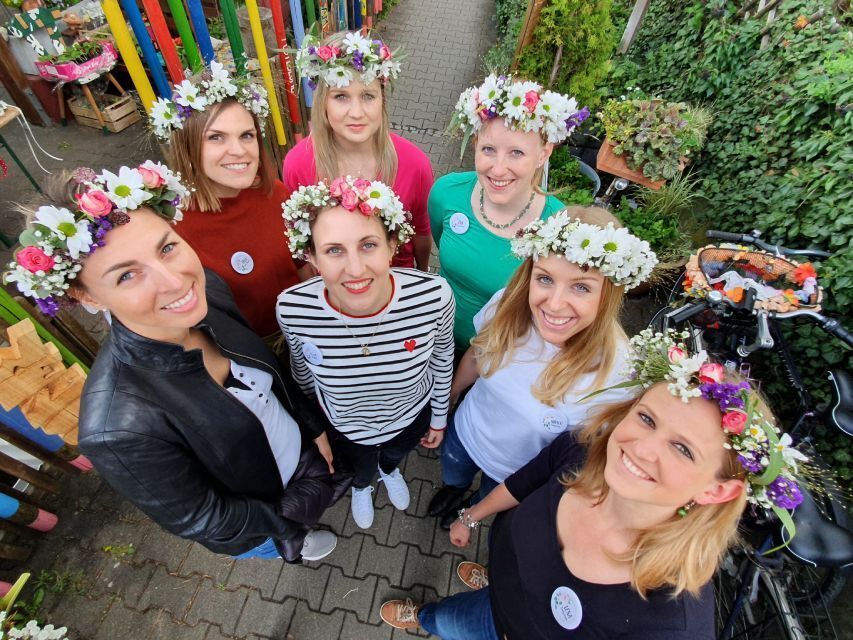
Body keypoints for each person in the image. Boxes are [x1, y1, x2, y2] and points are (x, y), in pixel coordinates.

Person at [4, 164, 347, 562]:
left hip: (300, 459)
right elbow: (206, 517)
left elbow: (269, 369)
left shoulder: (208, 290)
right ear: (89, 297)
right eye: (127, 275)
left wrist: (312, 429)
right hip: (267, 522)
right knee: (285, 544)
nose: (175, 281)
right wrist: (288, 523)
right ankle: (299, 545)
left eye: (167, 248)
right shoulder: (116, 428)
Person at [380, 329, 809, 639]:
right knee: (451, 614)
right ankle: (440, 608)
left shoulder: (667, 626)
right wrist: (472, 517)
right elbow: (523, 482)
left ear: (717, 491)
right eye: (646, 418)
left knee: (458, 625)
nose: (641, 448)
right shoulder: (584, 451)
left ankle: (427, 619)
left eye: (683, 449)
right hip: (504, 586)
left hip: (501, 630)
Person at [427, 207, 658, 528]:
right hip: (465, 436)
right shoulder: (507, 307)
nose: (554, 303)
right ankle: (454, 490)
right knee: (453, 474)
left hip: (515, 474)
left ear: (608, 293)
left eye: (581, 286)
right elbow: (477, 356)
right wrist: (449, 397)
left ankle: (470, 511)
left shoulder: (618, 374)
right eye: (545, 278)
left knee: (487, 499)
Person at [278, 176, 454, 529]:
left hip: (409, 418)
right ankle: (362, 485)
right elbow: (303, 376)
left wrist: (438, 418)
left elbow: (442, 359)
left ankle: (388, 471)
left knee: (392, 455)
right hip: (344, 428)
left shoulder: (433, 296)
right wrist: (318, 428)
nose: (355, 269)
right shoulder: (293, 309)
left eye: (368, 245)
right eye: (334, 250)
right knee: (359, 467)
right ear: (310, 255)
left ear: (392, 244)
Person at [430, 74, 590, 355]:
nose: (498, 168)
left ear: (543, 154)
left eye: (516, 153)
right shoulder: (447, 193)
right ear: (476, 142)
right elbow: (436, 235)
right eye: (488, 149)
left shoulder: (557, 228)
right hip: (432, 339)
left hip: (496, 358)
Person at [151, 62, 309, 338]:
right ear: (188, 147)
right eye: (216, 138)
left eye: (246, 135)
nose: (238, 150)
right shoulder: (174, 227)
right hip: (248, 353)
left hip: (303, 331)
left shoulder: (275, 193)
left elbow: (301, 267)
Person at [284, 30, 433, 271]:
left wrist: (421, 277)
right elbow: (301, 246)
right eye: (341, 96)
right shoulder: (299, 164)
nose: (356, 112)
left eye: (367, 96)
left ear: (382, 100)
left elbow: (422, 234)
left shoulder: (414, 164)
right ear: (323, 102)